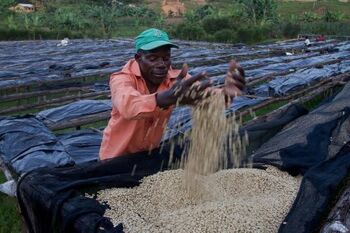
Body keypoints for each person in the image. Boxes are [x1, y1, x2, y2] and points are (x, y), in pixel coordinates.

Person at [99, 28, 245, 160]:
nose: (161, 64)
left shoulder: (174, 79)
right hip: (114, 158)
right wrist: (164, 98)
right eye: (153, 58)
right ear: (138, 58)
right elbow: (128, 106)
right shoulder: (122, 78)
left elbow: (203, 94)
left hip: (148, 155)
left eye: (166, 58)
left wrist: (226, 94)